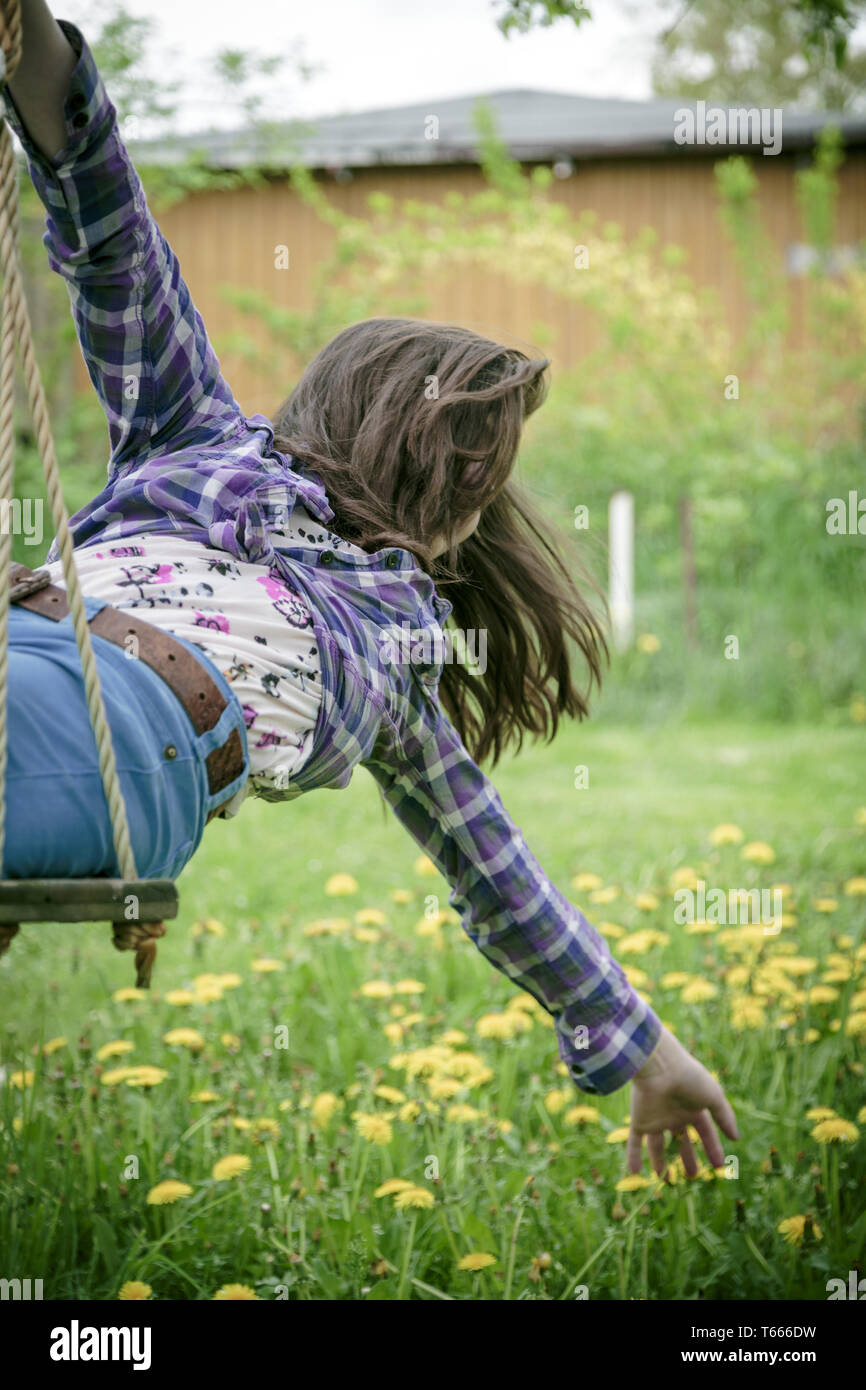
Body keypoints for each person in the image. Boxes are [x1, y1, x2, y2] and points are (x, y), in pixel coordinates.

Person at [2, 0, 738, 1179]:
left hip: (119, 735)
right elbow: (108, 229)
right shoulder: (189, 433)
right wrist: (29, 37)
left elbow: (494, 870)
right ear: (402, 449)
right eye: (473, 483)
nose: (473, 523)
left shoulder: (393, 647)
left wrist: (643, 1050)